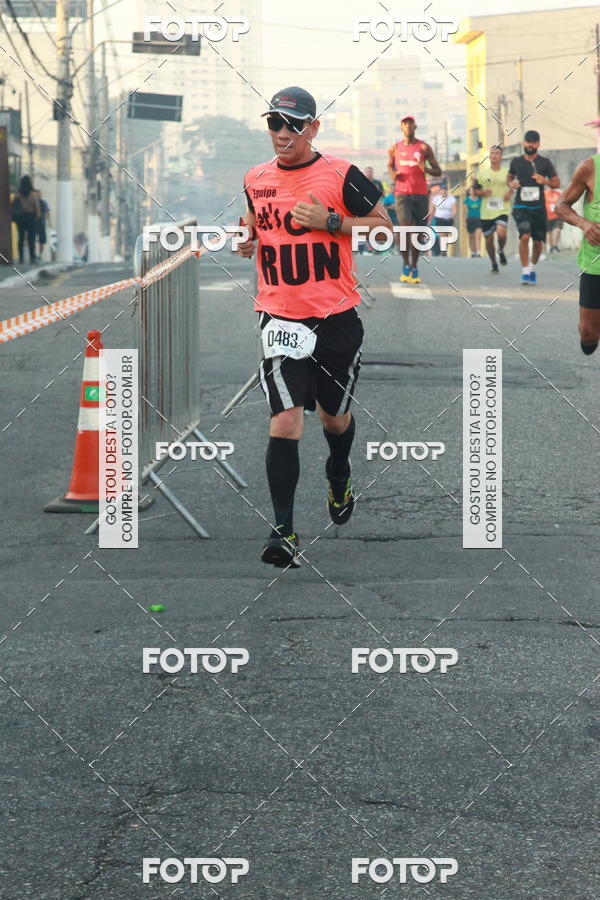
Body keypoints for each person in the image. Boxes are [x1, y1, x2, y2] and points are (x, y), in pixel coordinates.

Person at [236, 86, 389, 567]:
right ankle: (283, 531)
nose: (282, 133)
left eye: (293, 125)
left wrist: (332, 221)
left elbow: (384, 229)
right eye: (274, 123)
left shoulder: (342, 174)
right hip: (279, 314)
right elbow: (254, 219)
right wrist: (247, 236)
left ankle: (339, 471)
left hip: (335, 318)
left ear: (313, 128)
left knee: (333, 418)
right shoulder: (256, 177)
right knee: (285, 421)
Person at [387, 114, 441, 283]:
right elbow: (389, 165)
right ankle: (405, 264)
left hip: (420, 194)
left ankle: (414, 265)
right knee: (405, 227)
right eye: (405, 124)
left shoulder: (424, 147)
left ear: (415, 127)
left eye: (411, 124)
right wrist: (393, 174)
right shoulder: (395, 148)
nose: (408, 126)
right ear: (401, 127)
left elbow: (438, 170)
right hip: (402, 193)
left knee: (418, 231)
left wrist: (426, 169)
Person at [555, 153, 600, 355]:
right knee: (589, 334)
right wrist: (584, 224)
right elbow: (561, 205)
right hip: (596, 262)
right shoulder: (590, 167)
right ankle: (588, 333)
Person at [508, 130, 560, 285]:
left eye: (533, 142)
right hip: (521, 206)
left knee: (538, 243)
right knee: (524, 236)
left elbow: (557, 183)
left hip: (538, 208)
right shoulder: (516, 161)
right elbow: (509, 178)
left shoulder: (545, 162)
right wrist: (511, 184)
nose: (530, 145)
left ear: (538, 144)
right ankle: (525, 272)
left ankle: (532, 268)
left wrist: (545, 181)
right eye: (528, 142)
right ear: (524, 143)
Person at [476, 145, 514, 274]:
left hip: (502, 209)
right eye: (492, 153)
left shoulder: (507, 173)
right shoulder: (482, 173)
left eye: (497, 153)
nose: (494, 156)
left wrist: (509, 193)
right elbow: (475, 191)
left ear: (501, 156)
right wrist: (483, 193)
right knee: (489, 239)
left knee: (501, 233)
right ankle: (493, 262)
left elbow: (513, 186)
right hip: (487, 212)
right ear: (489, 156)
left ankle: (501, 250)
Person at [11, 174, 40, 264]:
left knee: (21, 238)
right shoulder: (33, 195)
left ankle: (21, 259)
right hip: (31, 217)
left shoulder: (18, 195)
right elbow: (37, 208)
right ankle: (32, 258)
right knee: (31, 239)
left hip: (21, 218)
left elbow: (13, 206)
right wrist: (37, 218)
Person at [430, 185, 457, 257]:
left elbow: (454, 209)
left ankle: (444, 250)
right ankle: (443, 250)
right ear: (440, 191)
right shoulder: (436, 198)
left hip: (448, 219)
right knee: (442, 234)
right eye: (443, 190)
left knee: (446, 235)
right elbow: (432, 209)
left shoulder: (451, 198)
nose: (444, 191)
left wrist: (452, 216)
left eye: (445, 190)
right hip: (439, 219)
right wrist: (432, 217)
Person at [464, 179, 482, 257]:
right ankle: (473, 252)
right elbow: (465, 212)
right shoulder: (467, 200)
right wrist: (465, 221)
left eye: (473, 190)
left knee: (478, 236)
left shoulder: (479, 199)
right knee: (471, 237)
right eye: (471, 190)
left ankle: (478, 252)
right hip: (470, 219)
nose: (472, 192)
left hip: (478, 219)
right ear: (469, 192)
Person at [545, 186, 563, 253]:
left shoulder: (559, 192)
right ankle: (551, 247)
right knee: (548, 232)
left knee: (558, 230)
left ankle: (555, 245)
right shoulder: (544, 193)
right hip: (547, 216)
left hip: (558, 215)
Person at [36, 190, 50, 260]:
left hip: (41, 223)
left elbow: (47, 212)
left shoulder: (43, 202)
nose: (38, 195)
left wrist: (49, 222)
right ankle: (35, 254)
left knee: (42, 240)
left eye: (39, 194)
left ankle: (39, 255)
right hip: (35, 223)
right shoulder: (34, 202)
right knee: (33, 239)